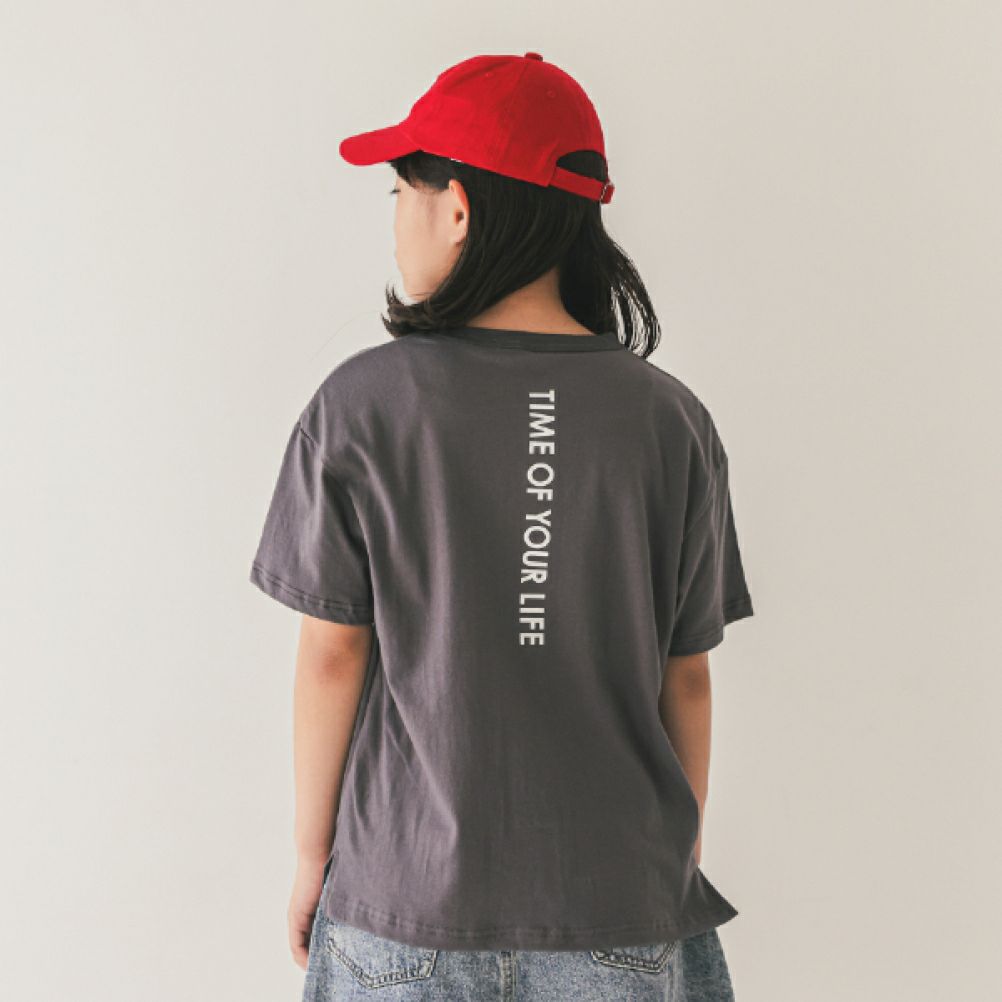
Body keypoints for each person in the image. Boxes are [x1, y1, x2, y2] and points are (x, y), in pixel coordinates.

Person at [249, 51, 755, 1002]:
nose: (396, 220)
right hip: (618, 900)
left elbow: (331, 655)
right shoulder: (668, 420)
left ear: (457, 209)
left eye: (401, 191)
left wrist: (314, 856)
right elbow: (685, 672)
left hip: (405, 903)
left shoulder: (362, 405)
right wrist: (672, 859)